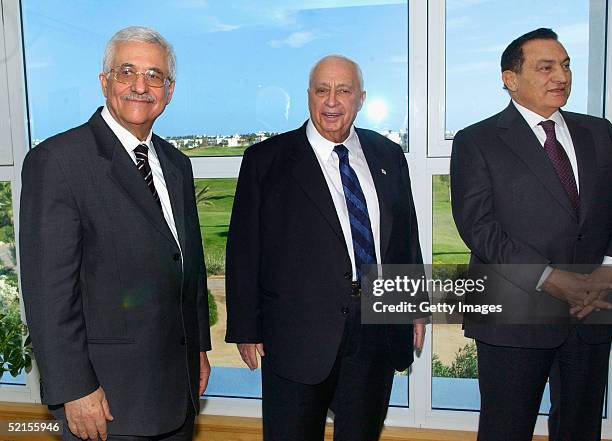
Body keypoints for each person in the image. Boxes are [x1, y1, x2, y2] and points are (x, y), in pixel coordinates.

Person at [19, 26, 211, 441]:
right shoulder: (58, 161)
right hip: (105, 403)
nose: (140, 86)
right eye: (127, 72)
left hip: (176, 394)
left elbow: (187, 268)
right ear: (105, 82)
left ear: (170, 90)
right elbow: (49, 294)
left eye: (154, 75)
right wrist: (74, 389)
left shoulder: (177, 165)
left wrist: (197, 350)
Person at [225, 54, 426, 441]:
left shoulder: (387, 155)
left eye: (343, 90)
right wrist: (246, 328)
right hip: (296, 336)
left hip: (375, 328)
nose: (332, 101)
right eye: (322, 90)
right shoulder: (266, 161)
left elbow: (405, 238)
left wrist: (413, 306)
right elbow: (244, 251)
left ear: (361, 98)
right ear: (308, 96)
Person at [450, 28, 612, 441]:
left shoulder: (600, 132)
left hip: (591, 310)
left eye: (566, 65)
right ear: (510, 79)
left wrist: (608, 269)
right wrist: (551, 279)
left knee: (581, 429)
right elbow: (479, 229)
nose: (561, 75)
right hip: (513, 315)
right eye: (546, 67)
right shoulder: (477, 140)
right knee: (506, 429)